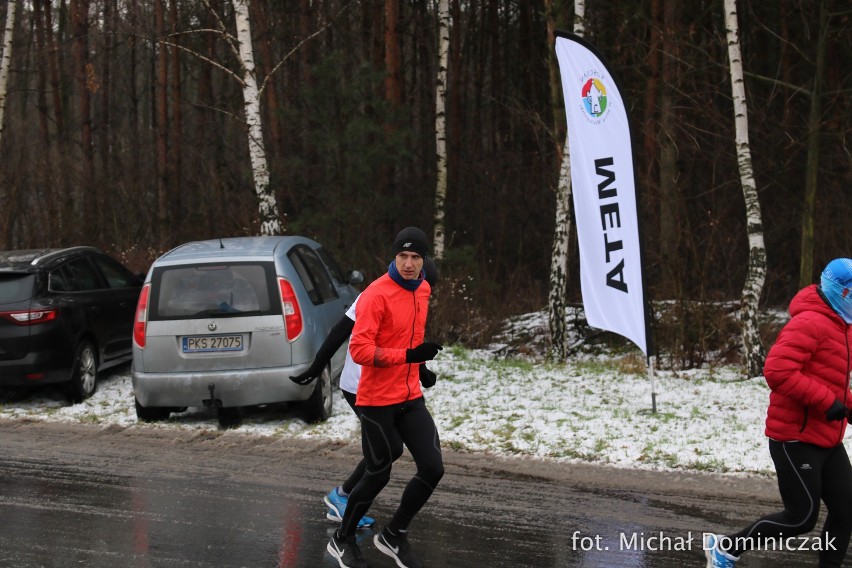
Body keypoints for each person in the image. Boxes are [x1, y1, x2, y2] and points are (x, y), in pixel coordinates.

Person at [704, 258, 852, 568]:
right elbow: (777, 370)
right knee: (801, 518)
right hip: (795, 438)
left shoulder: (841, 326)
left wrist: (846, 405)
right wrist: (827, 402)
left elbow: (828, 379)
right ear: (842, 293)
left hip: (825, 437)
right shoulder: (810, 322)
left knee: (846, 511)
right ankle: (725, 548)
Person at [290, 258, 439, 531]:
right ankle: (343, 503)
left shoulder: (416, 293)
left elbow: (408, 340)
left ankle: (343, 496)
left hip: (392, 387)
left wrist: (421, 370)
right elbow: (339, 332)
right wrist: (315, 367)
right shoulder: (376, 295)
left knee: (386, 452)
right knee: (386, 451)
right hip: (360, 386)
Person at [326, 227, 444, 568]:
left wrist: (419, 367)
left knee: (433, 468)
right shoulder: (376, 294)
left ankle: (393, 535)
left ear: (424, 261)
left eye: (415, 257)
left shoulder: (422, 289)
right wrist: (408, 356)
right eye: (403, 256)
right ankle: (341, 540)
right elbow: (360, 349)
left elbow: (412, 334)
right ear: (393, 256)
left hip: (409, 394)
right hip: (376, 400)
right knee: (379, 473)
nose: (408, 264)